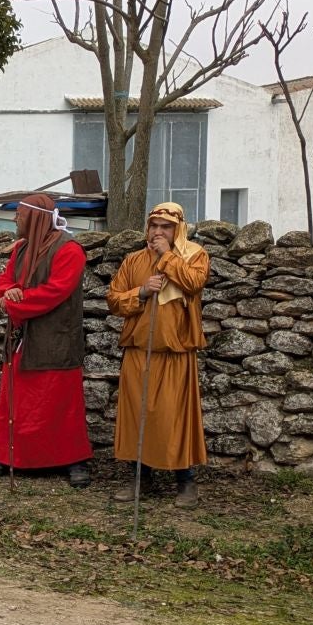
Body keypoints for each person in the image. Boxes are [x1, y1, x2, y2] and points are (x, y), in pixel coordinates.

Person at [0, 193, 93, 486]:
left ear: (35, 218)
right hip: (22, 339)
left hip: (57, 341)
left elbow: (55, 291)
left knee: (61, 404)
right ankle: (6, 456)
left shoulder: (70, 251)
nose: (16, 218)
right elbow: (3, 283)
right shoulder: (20, 250)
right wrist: (8, 293)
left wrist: (15, 300)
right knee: (14, 402)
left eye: (20, 214)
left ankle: (73, 461)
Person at [106, 201, 209, 508]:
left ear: (177, 229)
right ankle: (140, 478)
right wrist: (141, 292)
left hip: (176, 351)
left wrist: (166, 257)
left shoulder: (195, 255)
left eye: (165, 227)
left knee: (175, 416)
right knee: (137, 416)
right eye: (154, 226)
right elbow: (113, 299)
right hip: (139, 349)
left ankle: (185, 481)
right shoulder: (134, 260)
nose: (158, 232)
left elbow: (193, 283)